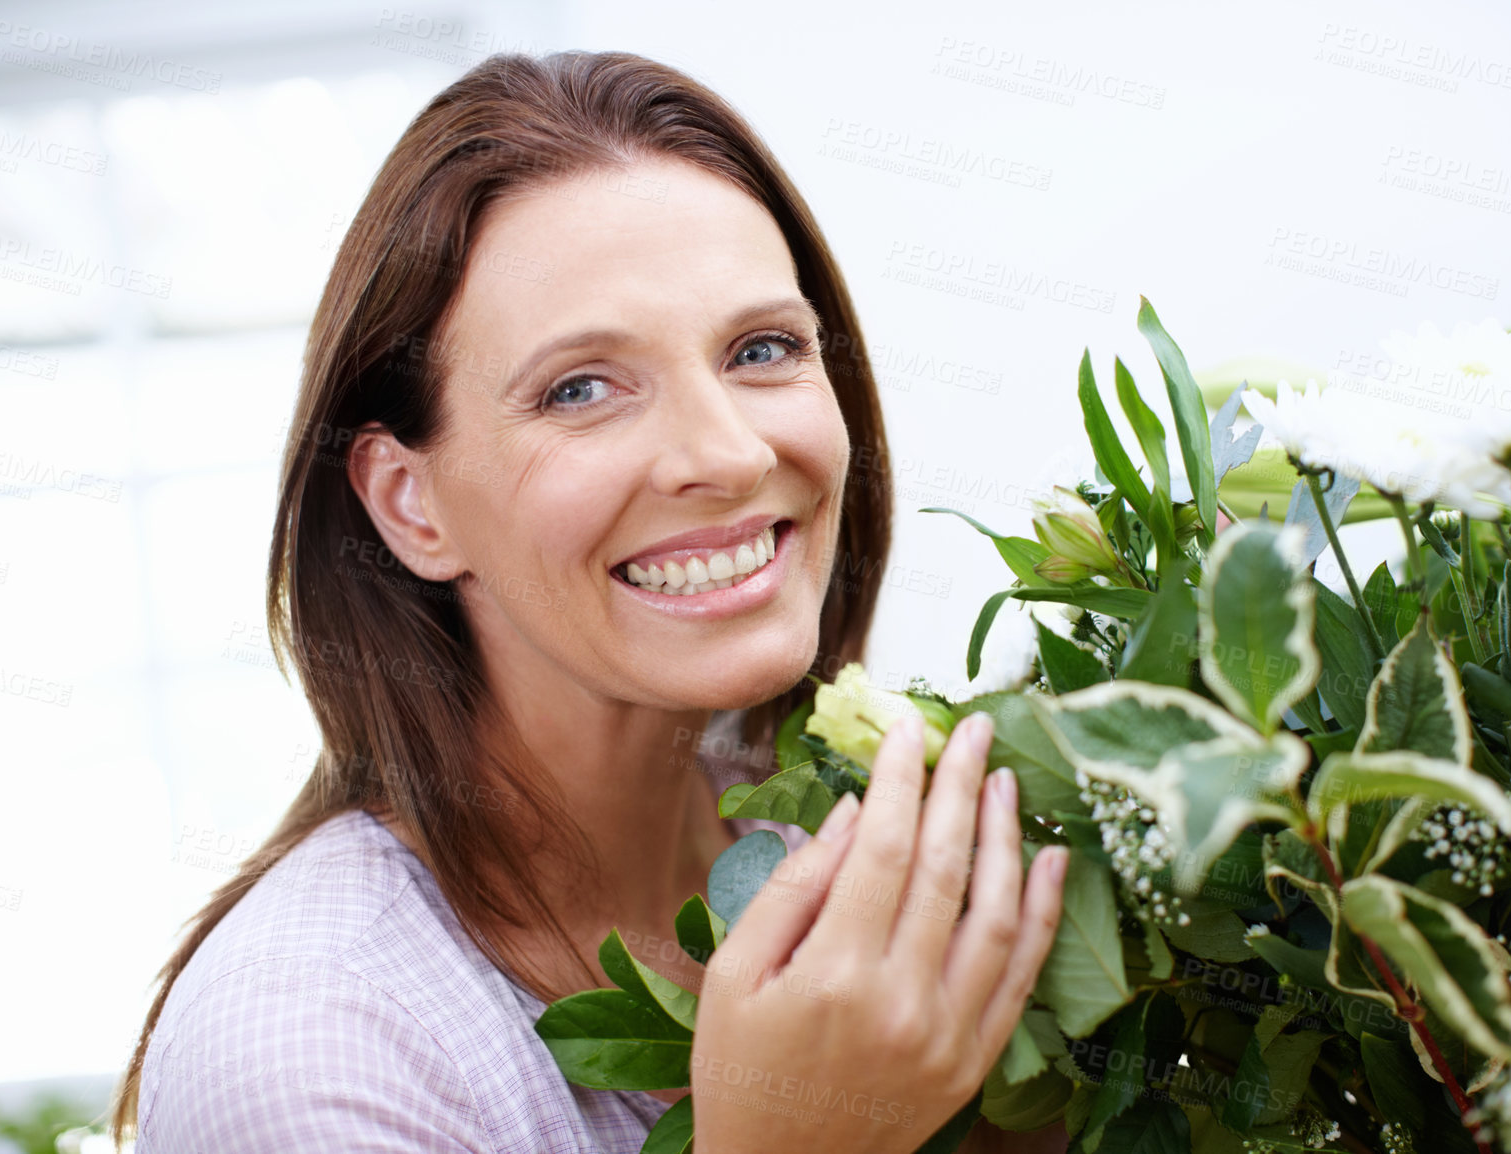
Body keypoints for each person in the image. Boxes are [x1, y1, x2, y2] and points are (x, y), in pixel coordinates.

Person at [111, 50, 1069, 1153]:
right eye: (580, 388)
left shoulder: (854, 848)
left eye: (762, 348)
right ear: (410, 503)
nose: (726, 450)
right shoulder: (309, 1054)